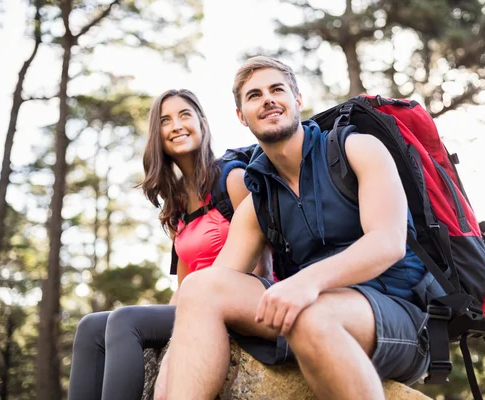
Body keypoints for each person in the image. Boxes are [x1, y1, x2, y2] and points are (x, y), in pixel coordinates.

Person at [164, 56, 430, 400]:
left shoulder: (356, 148)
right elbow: (213, 288)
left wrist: (306, 282)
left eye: (278, 89)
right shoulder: (261, 195)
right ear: (241, 117)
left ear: (298, 100)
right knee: (199, 287)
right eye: (254, 95)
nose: (268, 99)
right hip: (312, 308)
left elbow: (388, 242)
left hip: (398, 314)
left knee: (308, 315)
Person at [67, 89, 270, 400]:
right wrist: (167, 321)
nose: (176, 125)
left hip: (241, 297)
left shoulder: (233, 178)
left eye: (185, 115)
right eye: (165, 120)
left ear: (202, 123)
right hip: (196, 302)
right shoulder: (176, 203)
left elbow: (262, 262)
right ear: (157, 135)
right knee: (92, 326)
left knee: (126, 321)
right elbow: (184, 285)